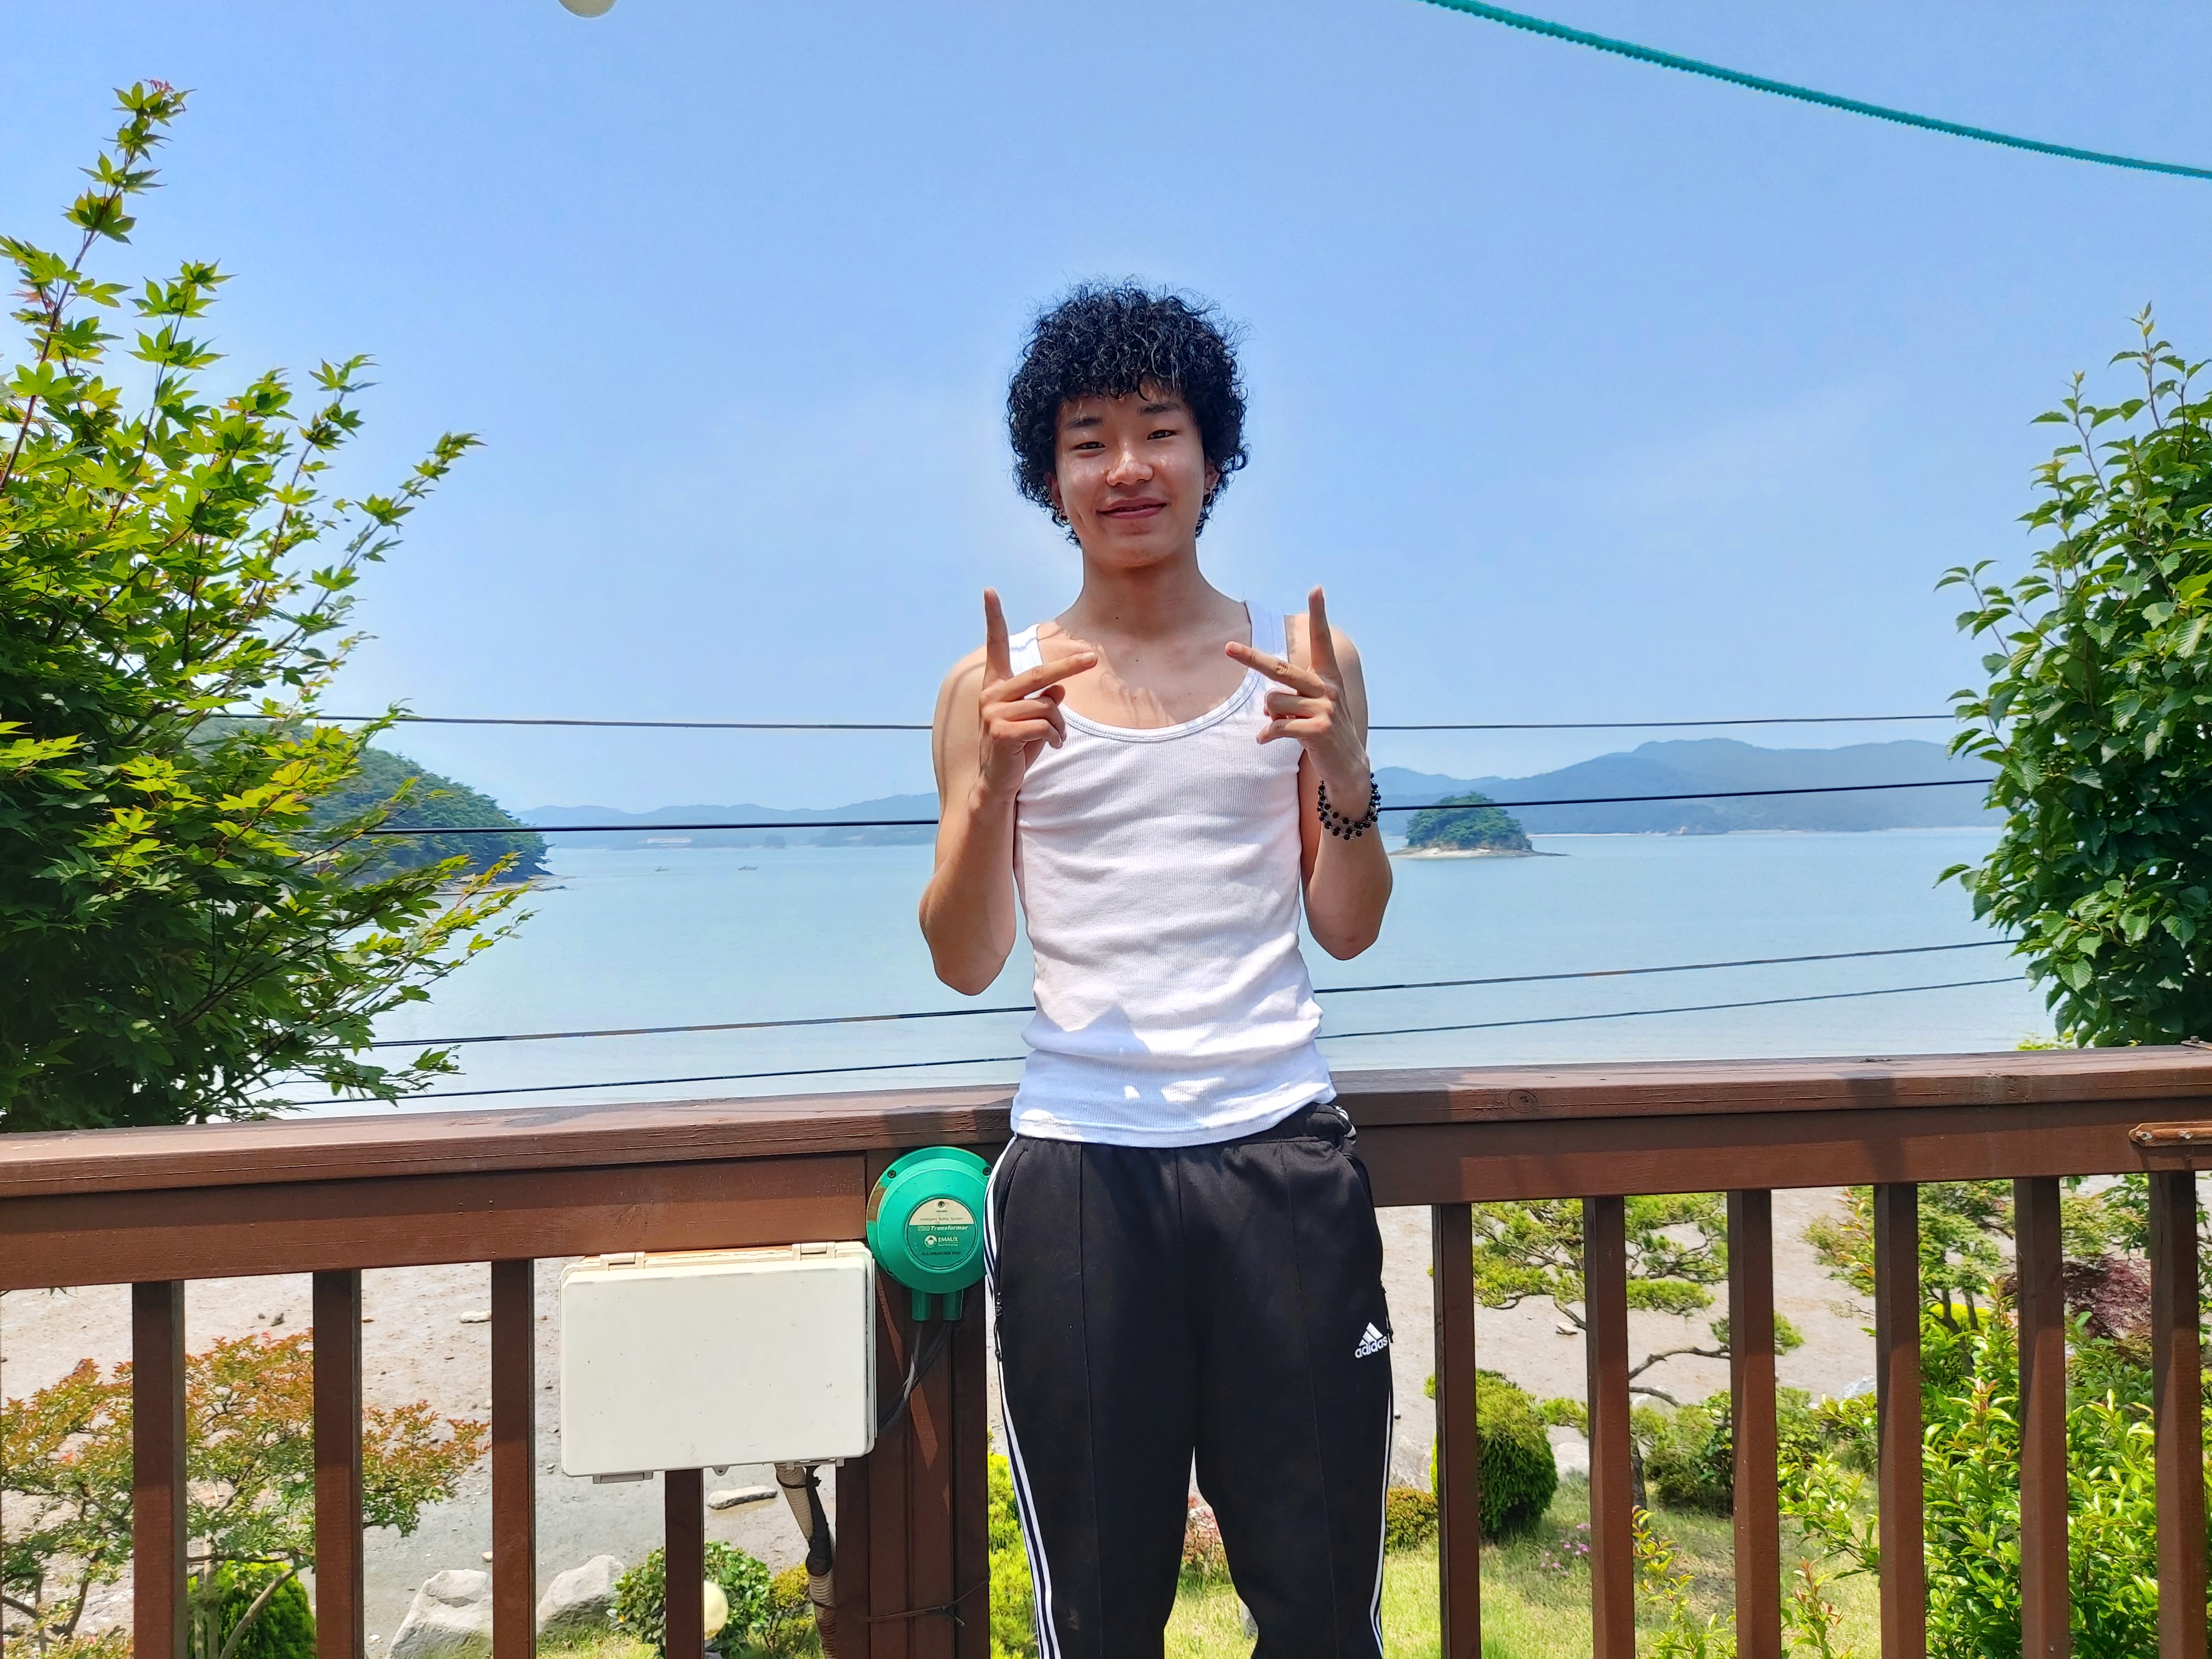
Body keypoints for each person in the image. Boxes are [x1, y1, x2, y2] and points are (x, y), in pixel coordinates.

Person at [919, 283, 1395, 1658]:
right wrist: (989, 785)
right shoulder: (992, 686)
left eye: (1159, 429)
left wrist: (1344, 769)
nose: (1127, 467)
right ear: (1049, 478)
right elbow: (965, 956)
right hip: (1080, 1172)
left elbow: (1350, 924)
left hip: (1282, 1156)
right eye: (1089, 440)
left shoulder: (1304, 662)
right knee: (1099, 1616)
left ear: (1212, 454)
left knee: (1322, 1612)